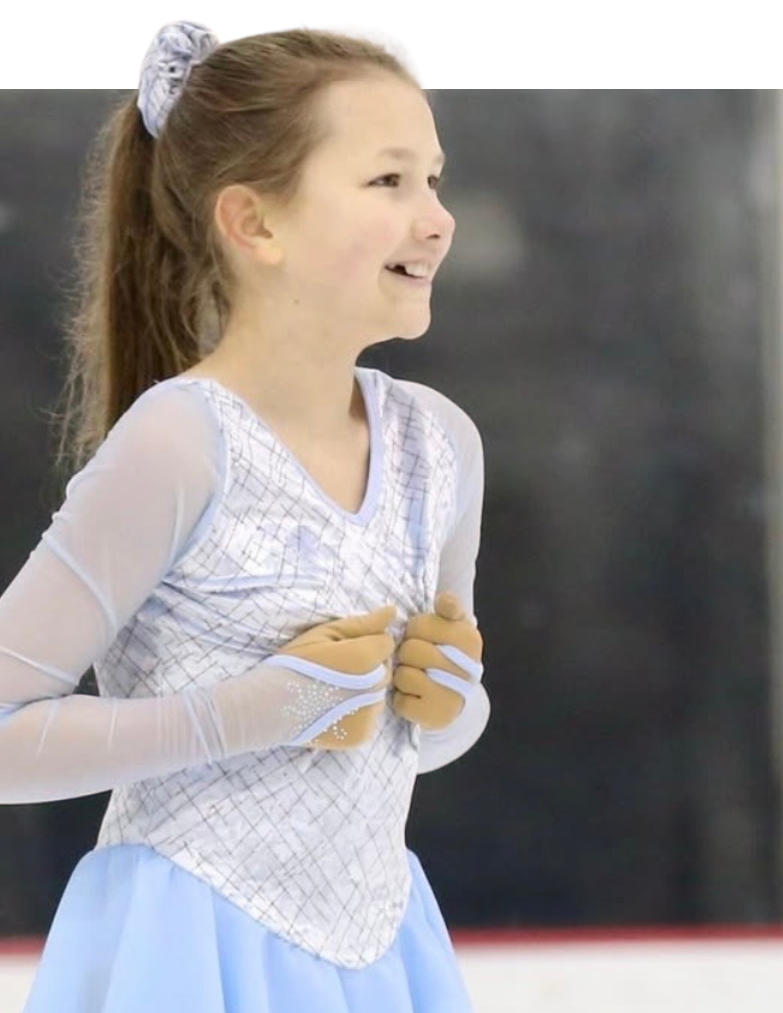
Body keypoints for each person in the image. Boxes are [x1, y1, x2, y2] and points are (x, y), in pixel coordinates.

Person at [0, 20, 489, 1013]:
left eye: (433, 180)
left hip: (379, 943)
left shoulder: (439, 445)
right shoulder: (179, 444)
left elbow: (416, 739)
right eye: (389, 181)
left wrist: (451, 704)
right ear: (254, 224)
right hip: (183, 946)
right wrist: (238, 716)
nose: (437, 218)